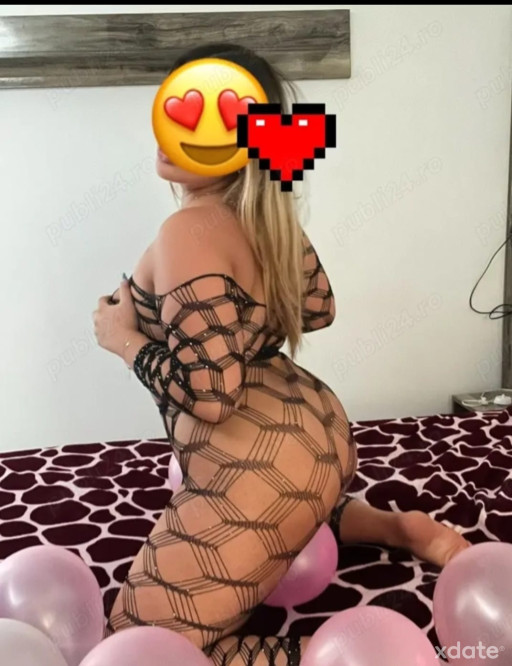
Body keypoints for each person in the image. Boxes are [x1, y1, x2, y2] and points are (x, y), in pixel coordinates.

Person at [92, 43, 469, 666]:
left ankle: (352, 657)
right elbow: (318, 306)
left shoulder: (187, 231)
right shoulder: (263, 214)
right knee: (278, 510)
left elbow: (211, 396)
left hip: (259, 469)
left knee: (137, 645)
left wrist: (123, 338)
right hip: (317, 438)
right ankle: (397, 527)